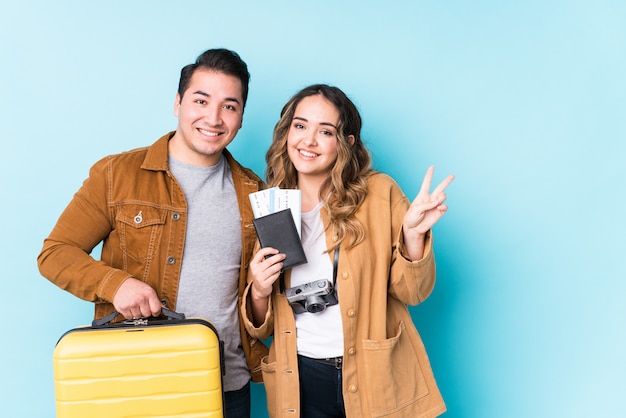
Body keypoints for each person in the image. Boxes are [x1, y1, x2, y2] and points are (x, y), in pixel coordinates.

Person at [37, 48, 268, 418]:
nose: (213, 117)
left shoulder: (256, 192)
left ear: (240, 117)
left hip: (225, 388)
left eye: (229, 106)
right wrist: (116, 284)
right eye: (200, 100)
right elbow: (55, 253)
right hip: (138, 380)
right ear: (178, 103)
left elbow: (259, 297)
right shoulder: (116, 175)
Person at [241, 84, 453, 417]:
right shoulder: (273, 206)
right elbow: (261, 327)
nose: (308, 141)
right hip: (299, 377)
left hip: (372, 373)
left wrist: (413, 236)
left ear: (346, 143)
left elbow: (412, 292)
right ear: (286, 133)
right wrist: (260, 289)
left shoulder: (379, 194)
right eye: (300, 126)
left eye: (325, 131)